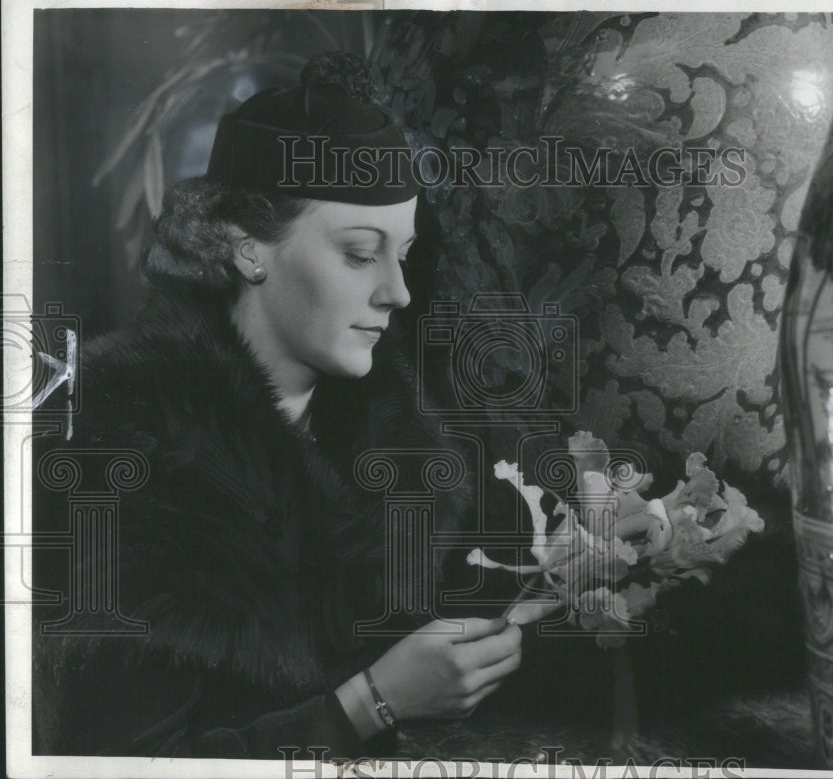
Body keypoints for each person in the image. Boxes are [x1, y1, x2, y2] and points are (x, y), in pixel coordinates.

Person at [32, 51, 522, 759]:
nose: (398, 292)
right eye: (360, 254)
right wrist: (369, 703)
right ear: (245, 249)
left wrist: (565, 572)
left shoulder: (398, 432)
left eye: (404, 255)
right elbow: (116, 767)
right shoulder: (115, 449)